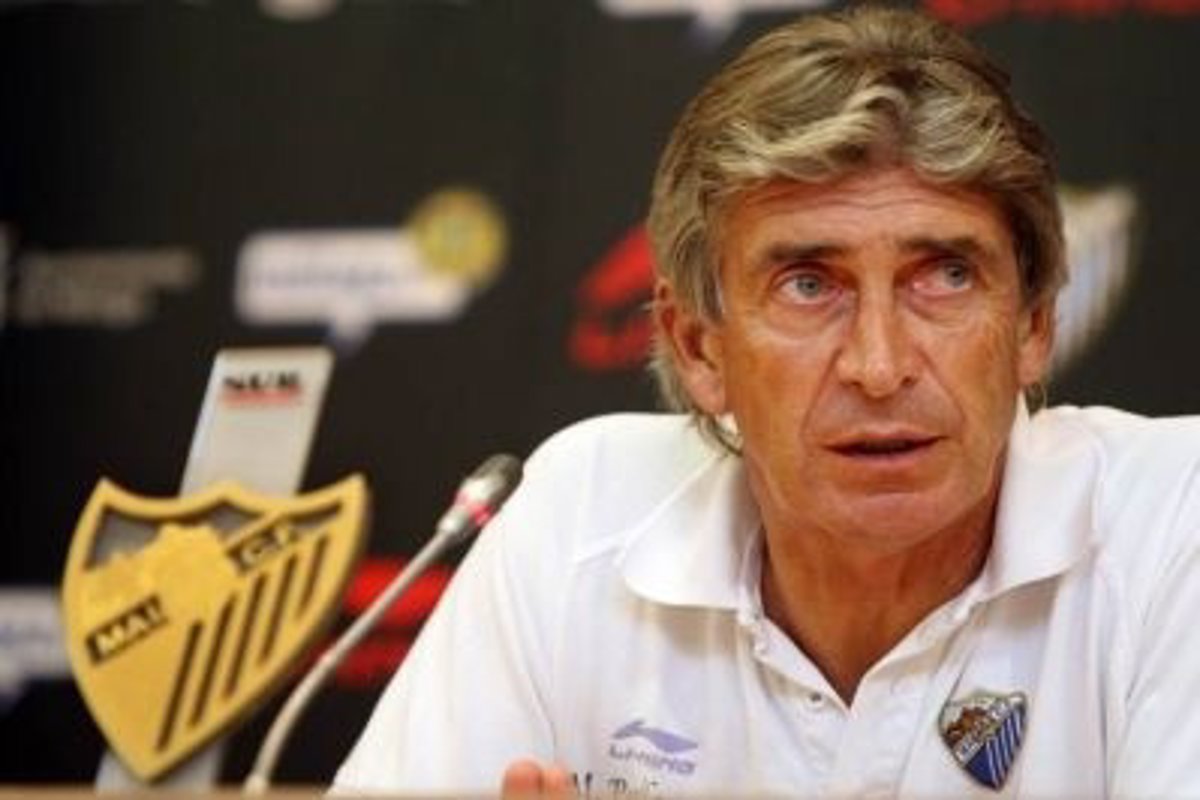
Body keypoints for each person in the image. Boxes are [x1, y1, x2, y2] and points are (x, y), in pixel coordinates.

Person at [333, 5, 1200, 797]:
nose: (879, 366)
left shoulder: (1172, 523)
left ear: (1034, 324)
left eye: (944, 276)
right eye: (808, 285)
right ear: (697, 346)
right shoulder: (580, 518)